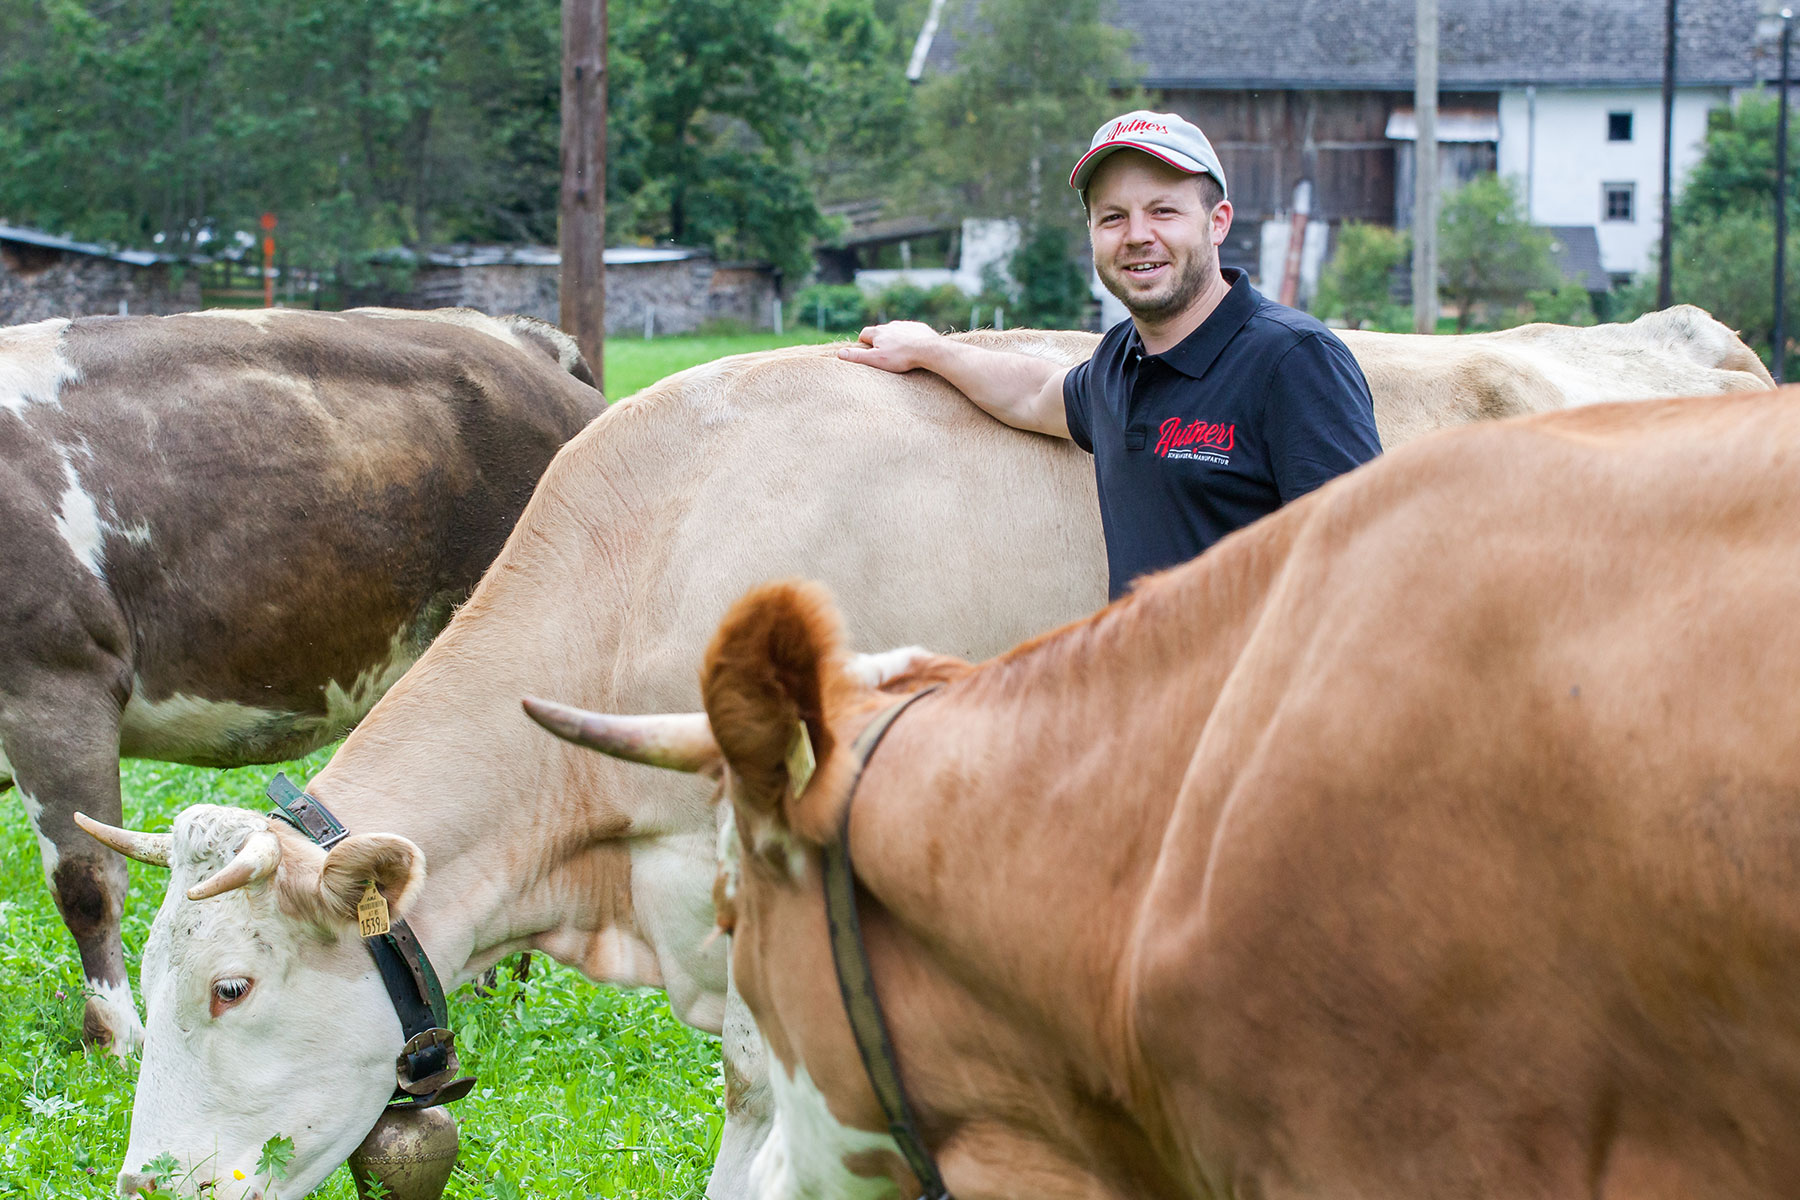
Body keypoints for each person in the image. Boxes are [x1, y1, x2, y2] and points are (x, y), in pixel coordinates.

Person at [840, 110, 1382, 599]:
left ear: (1217, 222)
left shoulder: (1293, 361)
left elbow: (1364, 572)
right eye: (1113, 217)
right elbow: (1033, 396)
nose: (1137, 235)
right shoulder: (1120, 361)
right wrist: (931, 349)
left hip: (1249, 705)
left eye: (1163, 210)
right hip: (1142, 702)